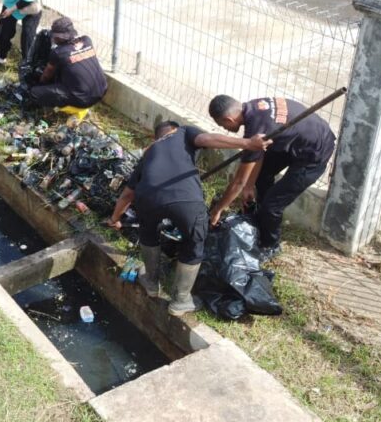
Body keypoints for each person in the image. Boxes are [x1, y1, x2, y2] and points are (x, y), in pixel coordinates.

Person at [106, 122, 270, 315]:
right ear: (173, 131)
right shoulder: (183, 131)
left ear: (156, 138)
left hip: (148, 199)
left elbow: (127, 195)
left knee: (148, 234)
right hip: (187, 200)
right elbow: (207, 139)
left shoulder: (149, 154)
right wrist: (248, 143)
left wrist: (115, 218)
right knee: (194, 244)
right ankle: (180, 301)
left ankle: (151, 282)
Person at [208, 95, 337, 263]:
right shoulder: (254, 108)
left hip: (315, 154)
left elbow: (238, 182)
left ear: (228, 119)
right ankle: (260, 218)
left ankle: (271, 245)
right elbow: (258, 154)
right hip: (298, 142)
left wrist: (217, 210)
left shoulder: (255, 129)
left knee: (272, 206)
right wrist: (249, 187)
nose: (224, 128)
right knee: (261, 176)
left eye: (222, 125)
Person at [27, 17, 107, 116]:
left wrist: (40, 86)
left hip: (83, 100)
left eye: (55, 37)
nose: (54, 39)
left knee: (35, 93)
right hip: (101, 91)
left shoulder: (58, 53)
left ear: (61, 37)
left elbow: (46, 76)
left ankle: (51, 111)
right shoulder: (87, 40)